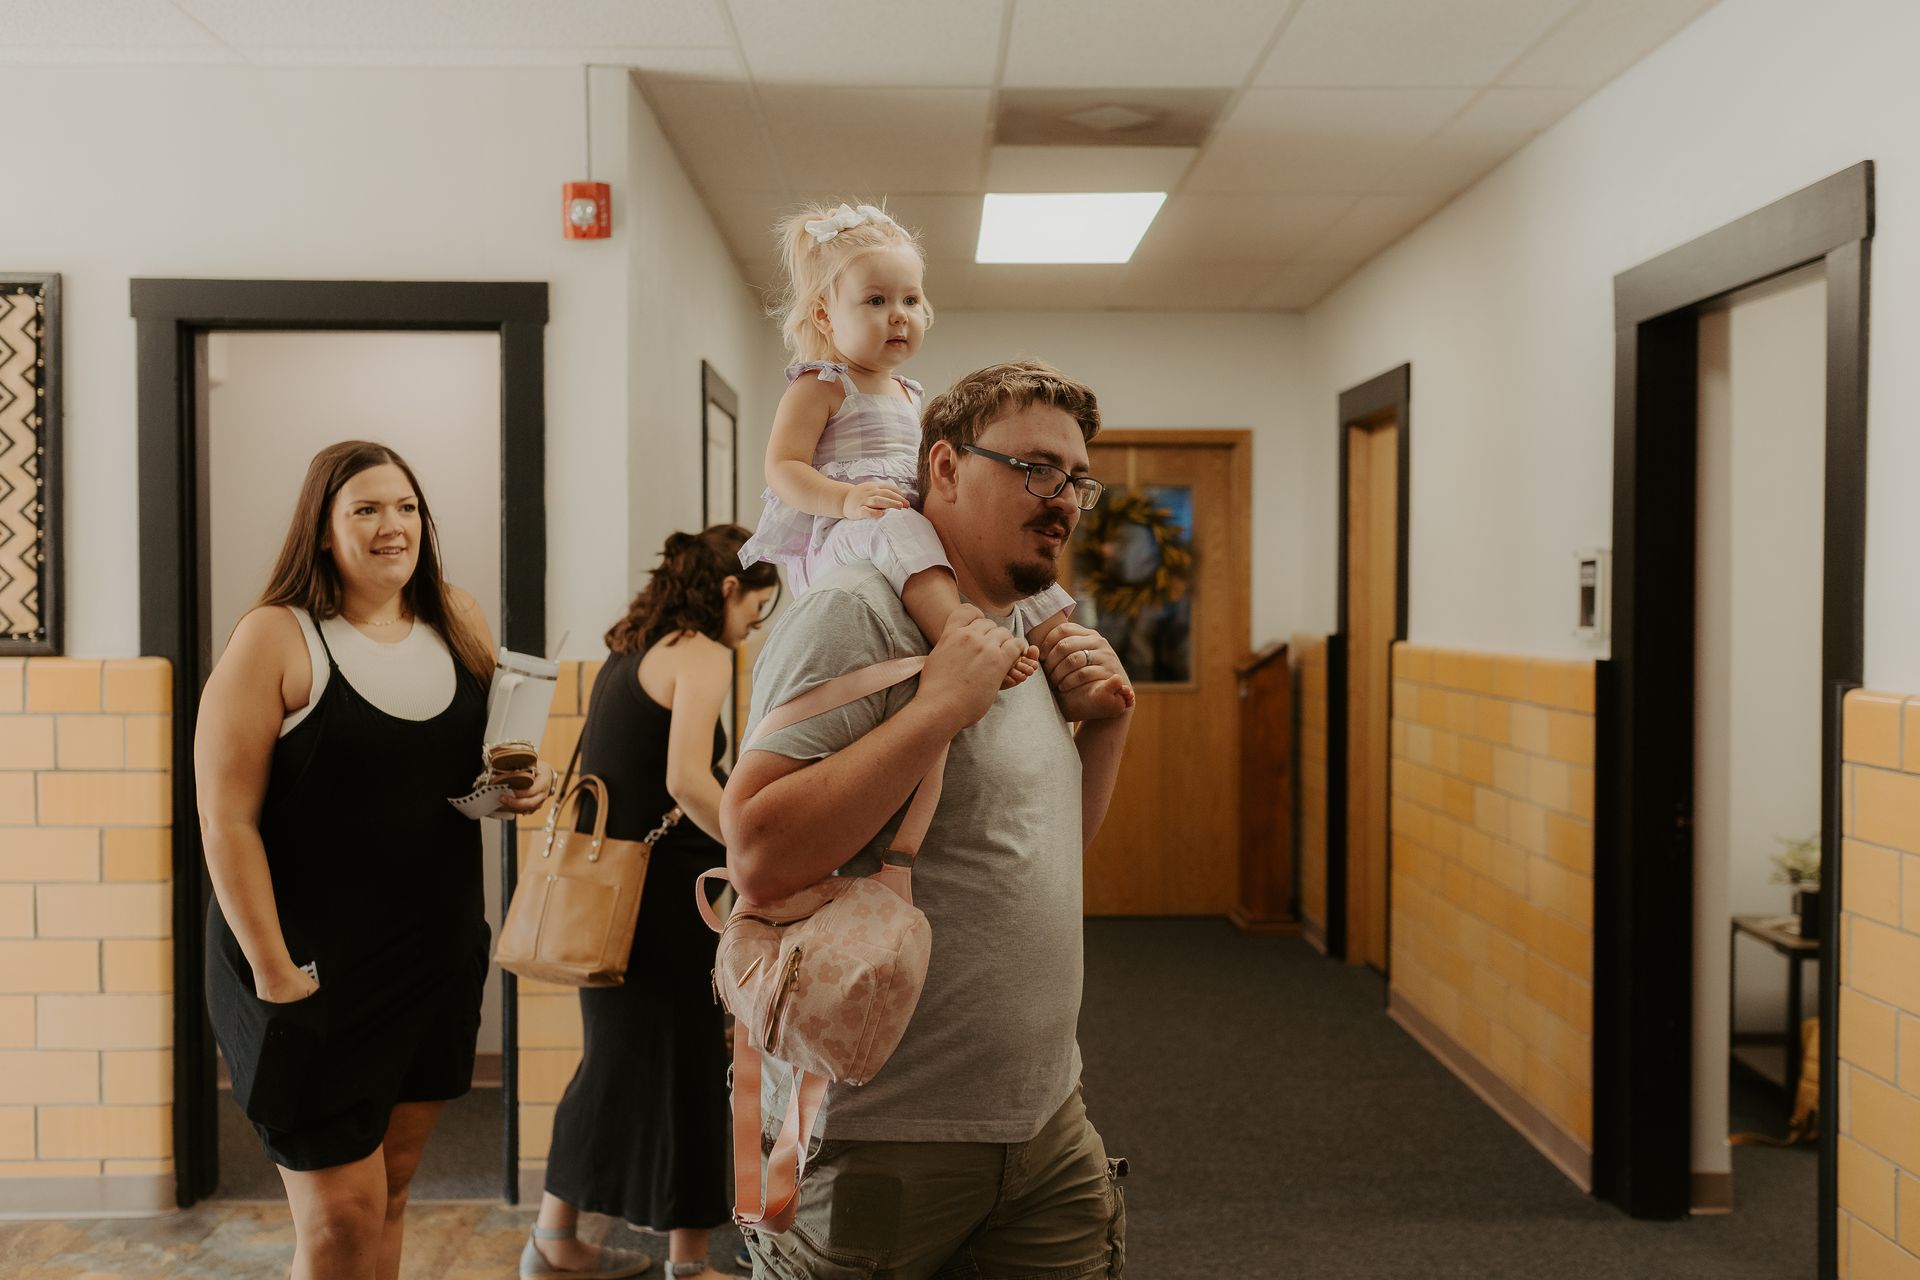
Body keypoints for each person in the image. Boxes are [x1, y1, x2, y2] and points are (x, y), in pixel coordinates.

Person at [722, 361, 1135, 1277]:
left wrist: (1104, 726)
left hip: (1044, 1127)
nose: (1062, 497)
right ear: (942, 469)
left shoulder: (1028, 625)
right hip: (881, 1145)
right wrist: (936, 708)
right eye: (1034, 467)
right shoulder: (854, 615)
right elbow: (756, 852)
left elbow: (1039, 860)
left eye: (1076, 478)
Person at [197, 440, 553, 1280]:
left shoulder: (457, 616)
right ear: (322, 532)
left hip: (430, 957)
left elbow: (448, 779)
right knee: (338, 1225)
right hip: (305, 966)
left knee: (390, 1194)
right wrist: (275, 974)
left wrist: (510, 794)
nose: (393, 526)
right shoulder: (274, 638)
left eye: (406, 508)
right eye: (365, 509)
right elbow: (225, 823)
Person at [525, 526, 781, 1280]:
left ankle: (554, 1240)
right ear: (729, 591)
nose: (752, 631)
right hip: (666, 898)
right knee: (693, 1072)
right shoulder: (700, 653)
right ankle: (689, 1261)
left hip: (614, 895)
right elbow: (686, 781)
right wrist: (755, 855)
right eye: (755, 613)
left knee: (611, 1067)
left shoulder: (634, 645)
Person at [738, 199, 1072, 688]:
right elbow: (782, 467)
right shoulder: (822, 383)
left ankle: (1060, 641)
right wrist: (846, 499)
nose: (898, 316)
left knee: (995, 540)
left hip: (900, 518)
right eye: (876, 301)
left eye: (910, 301)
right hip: (844, 533)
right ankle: (958, 628)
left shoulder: (909, 392)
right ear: (825, 315)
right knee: (897, 525)